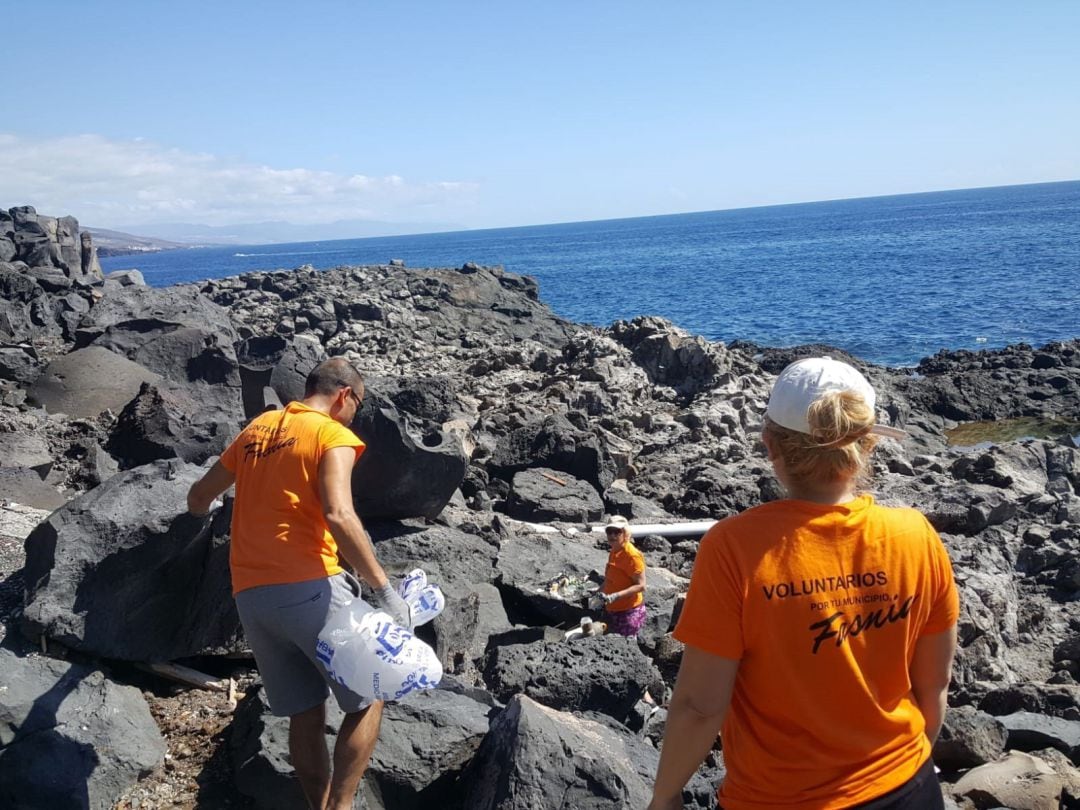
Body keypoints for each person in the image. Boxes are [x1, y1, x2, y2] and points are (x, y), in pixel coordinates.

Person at [649, 356, 959, 810]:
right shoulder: (915, 535)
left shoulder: (734, 548)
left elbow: (700, 706)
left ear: (770, 445)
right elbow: (934, 685)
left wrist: (665, 795)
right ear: (867, 446)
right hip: (908, 787)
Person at [186, 357, 411, 810]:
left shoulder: (259, 429)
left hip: (251, 596)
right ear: (345, 395)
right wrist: (385, 591)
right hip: (311, 587)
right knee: (371, 694)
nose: (355, 416)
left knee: (305, 711)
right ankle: (341, 806)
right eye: (358, 406)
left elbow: (198, 497)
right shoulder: (333, 434)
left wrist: (204, 515)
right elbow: (339, 514)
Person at [600, 515, 648, 637]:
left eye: (617, 532)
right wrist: (599, 590)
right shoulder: (615, 550)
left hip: (628, 612)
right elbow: (611, 577)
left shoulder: (632, 556)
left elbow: (641, 586)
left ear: (625, 533)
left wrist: (616, 596)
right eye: (609, 532)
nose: (612, 536)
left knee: (625, 647)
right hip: (613, 609)